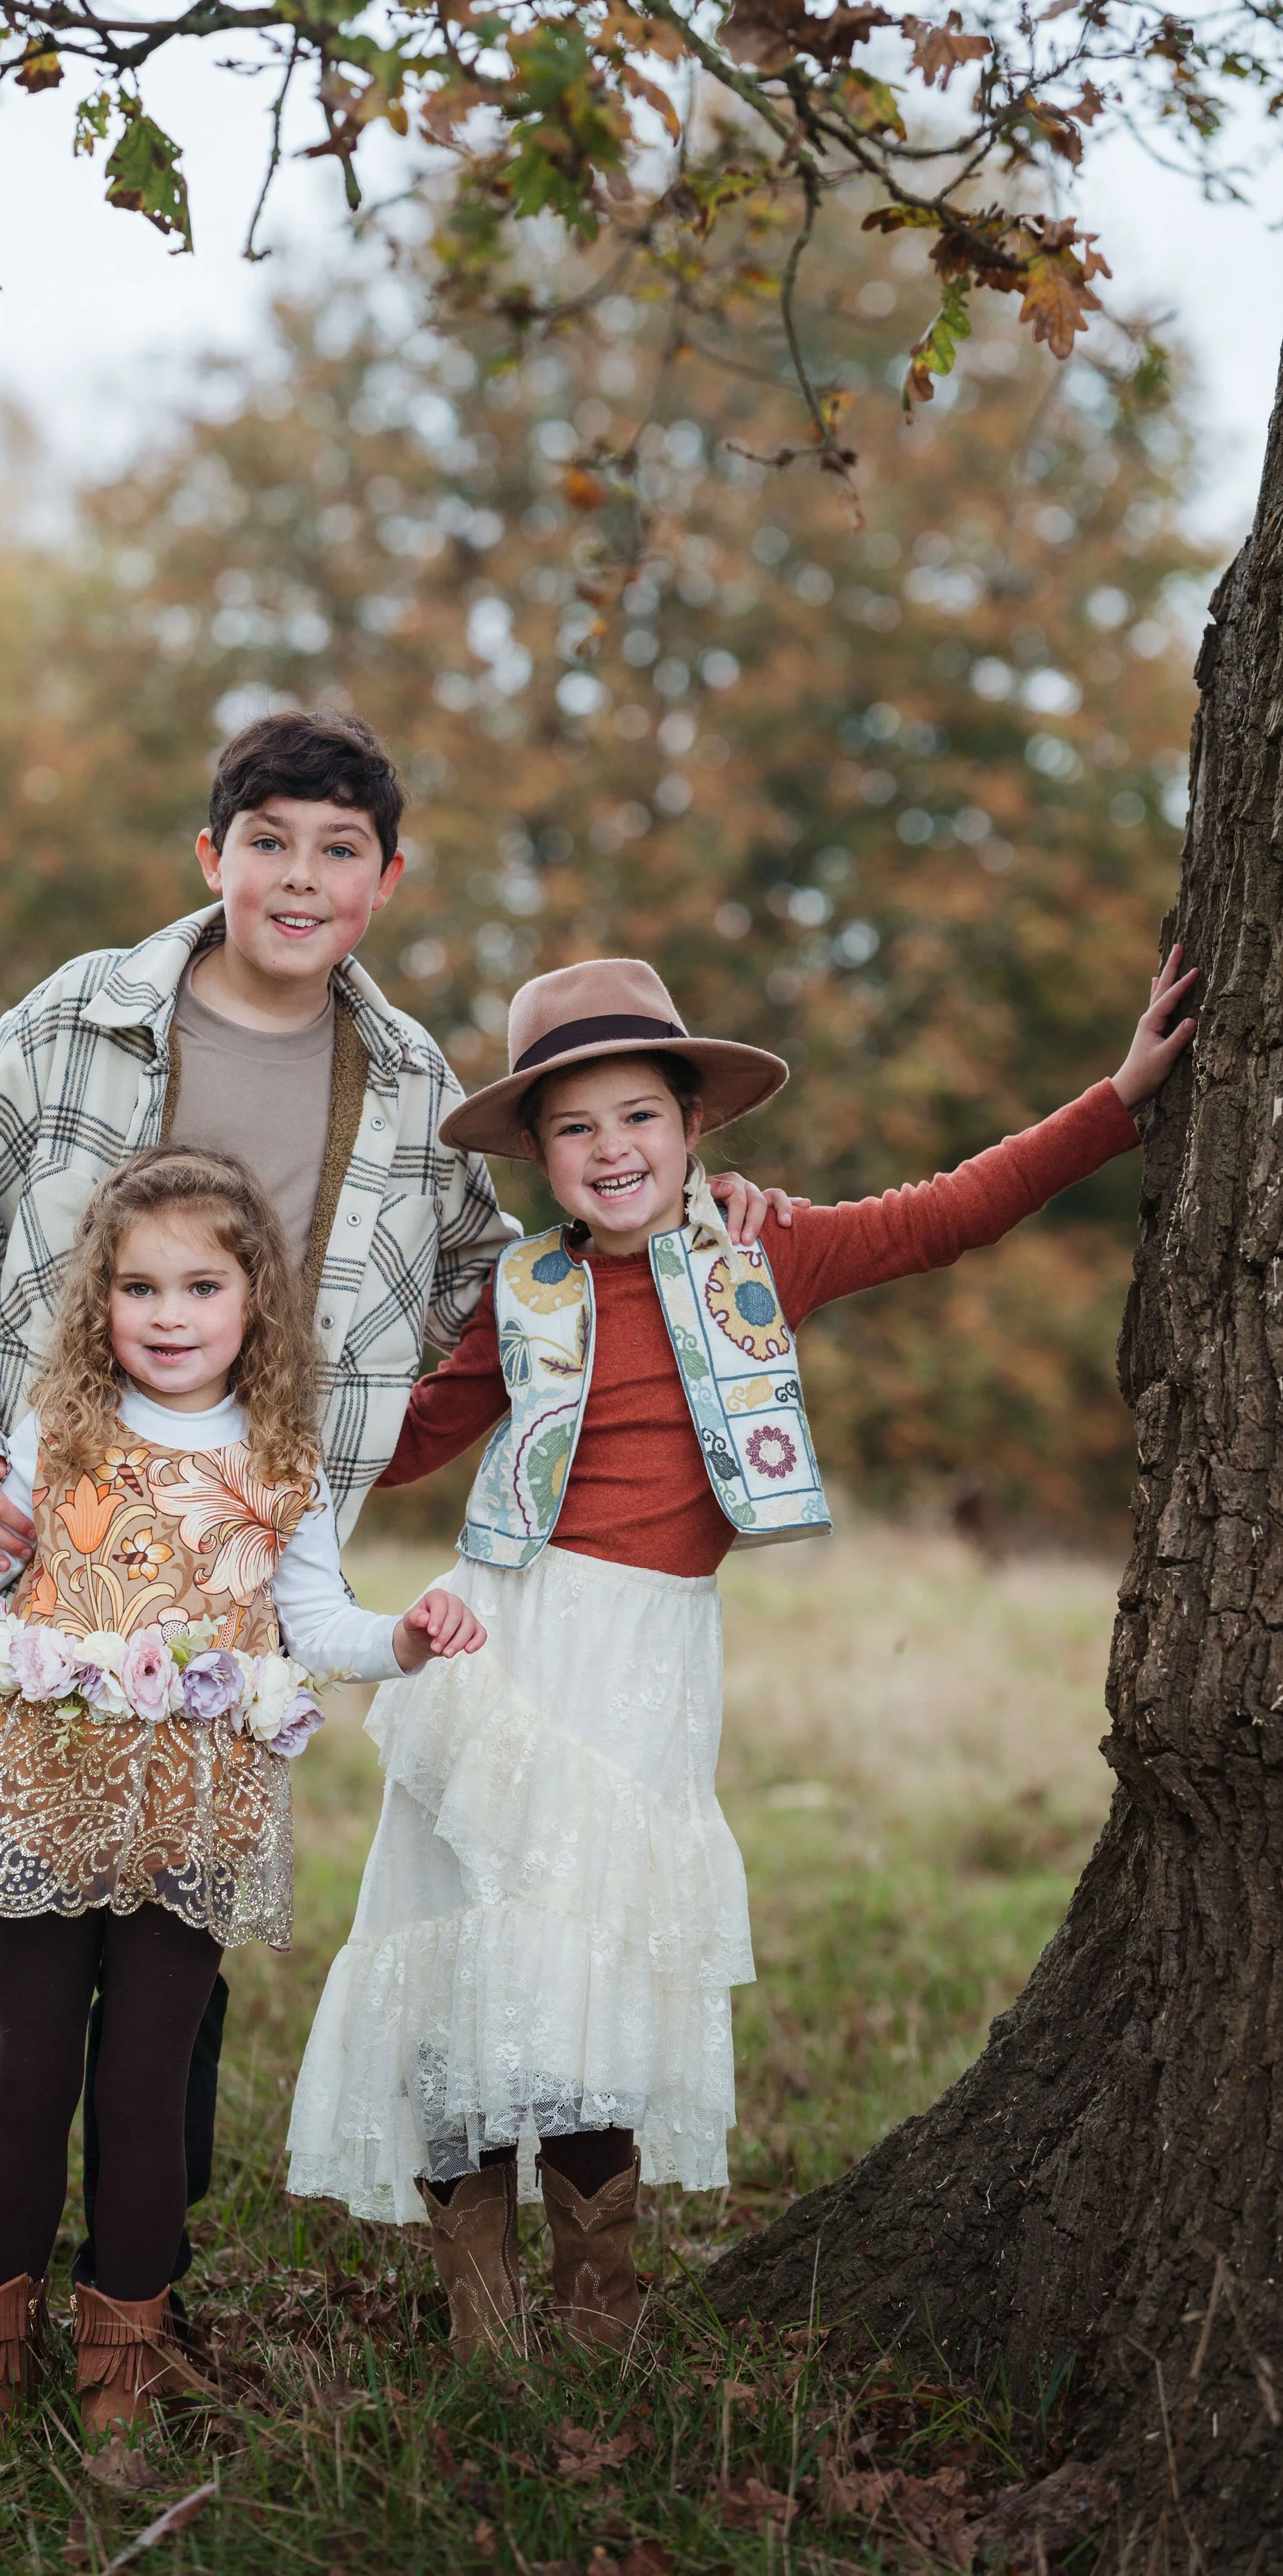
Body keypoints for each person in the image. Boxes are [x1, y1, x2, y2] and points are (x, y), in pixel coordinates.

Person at [0, 708, 786, 2440]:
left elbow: (506, 1282)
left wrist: (695, 1214)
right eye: (266, 840)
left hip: (247, 1581)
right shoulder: (76, 1018)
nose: (299, 876)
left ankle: (147, 2300)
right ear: (211, 858)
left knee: (179, 1974)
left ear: (382, 881)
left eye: (336, 850)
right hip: (59, 1560)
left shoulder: (414, 1081)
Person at [287, 944, 1197, 2355]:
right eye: (574, 1126)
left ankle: (594, 2312)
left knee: (586, 1976)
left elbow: (943, 1216)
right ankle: (481, 2317)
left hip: (646, 1659)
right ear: (533, 1150)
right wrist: (249, 1392)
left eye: (638, 1116)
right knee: (458, 1963)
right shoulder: (523, 1291)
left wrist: (1118, 1099)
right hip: (500, 1636)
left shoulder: (756, 1254)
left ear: (692, 1125)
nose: (611, 1149)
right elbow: (393, 1444)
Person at [0, 1148, 487, 2468]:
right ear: (100, 1300)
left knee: (147, 2088)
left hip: (192, 1820)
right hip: (38, 1798)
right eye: (138, 1286)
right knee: (25, 2083)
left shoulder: (282, 1459)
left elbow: (315, 1621)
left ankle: (123, 2384)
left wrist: (411, 1640)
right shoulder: (61, 1435)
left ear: (254, 1301)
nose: (168, 1313)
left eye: (201, 1285)